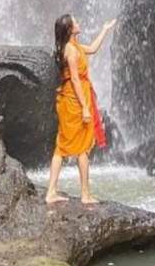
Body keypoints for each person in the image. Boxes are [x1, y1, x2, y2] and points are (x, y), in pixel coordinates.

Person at [44, 14, 118, 205]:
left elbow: (92, 49)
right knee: (82, 147)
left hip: (72, 98)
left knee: (63, 146)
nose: (79, 23)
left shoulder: (74, 46)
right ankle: (85, 195)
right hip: (74, 101)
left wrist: (105, 29)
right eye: (75, 22)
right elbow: (75, 79)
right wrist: (85, 107)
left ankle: (52, 191)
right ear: (70, 29)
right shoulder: (70, 50)